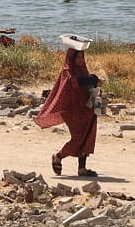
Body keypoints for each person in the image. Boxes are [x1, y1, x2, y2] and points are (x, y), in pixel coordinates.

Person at [36, 34, 100, 177]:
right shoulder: (67, 71)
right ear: (72, 58)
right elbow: (73, 82)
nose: (80, 60)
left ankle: (82, 168)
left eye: (82, 57)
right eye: (78, 57)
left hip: (86, 107)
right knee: (77, 138)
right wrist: (89, 80)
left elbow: (86, 82)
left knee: (87, 135)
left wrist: (94, 80)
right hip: (71, 109)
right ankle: (58, 156)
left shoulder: (83, 69)